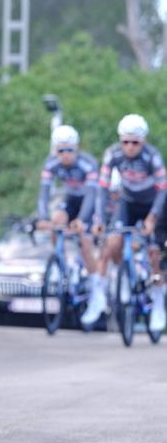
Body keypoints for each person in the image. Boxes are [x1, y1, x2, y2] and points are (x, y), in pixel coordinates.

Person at [83, 114, 167, 331]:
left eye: (135, 142)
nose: (129, 147)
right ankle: (124, 279)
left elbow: (162, 189)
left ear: (143, 140)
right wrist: (100, 218)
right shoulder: (112, 154)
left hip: (153, 204)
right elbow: (102, 188)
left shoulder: (152, 156)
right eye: (125, 141)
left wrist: (153, 217)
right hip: (127, 202)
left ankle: (159, 302)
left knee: (154, 253)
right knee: (112, 243)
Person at [35, 125, 99, 302]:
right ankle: (60, 264)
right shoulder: (50, 163)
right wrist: (43, 217)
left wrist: (82, 219)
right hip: (71, 199)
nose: (65, 154)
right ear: (55, 150)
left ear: (76, 148)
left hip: (89, 202)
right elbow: (44, 193)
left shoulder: (88, 163)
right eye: (61, 151)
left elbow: (91, 194)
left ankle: (97, 290)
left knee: (85, 243)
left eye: (70, 150)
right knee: (56, 221)